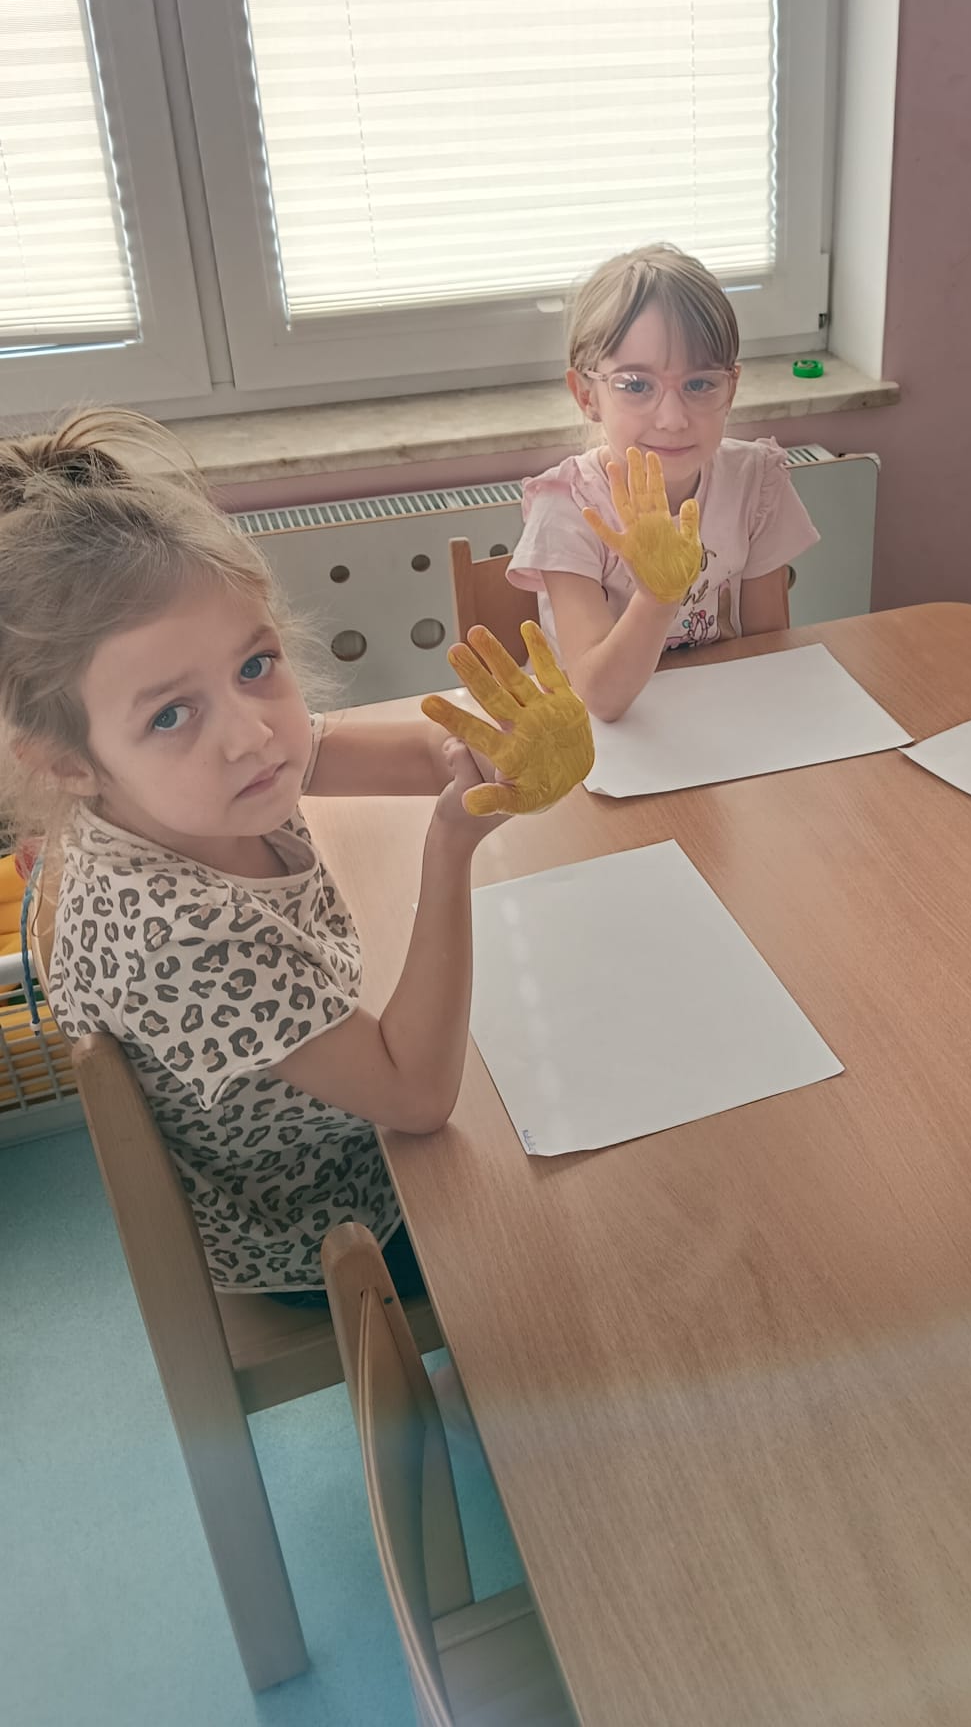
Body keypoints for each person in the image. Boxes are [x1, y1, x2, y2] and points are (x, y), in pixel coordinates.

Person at [0, 410, 590, 1298]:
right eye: (171, 714)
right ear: (67, 765)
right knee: (604, 1226)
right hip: (330, 1227)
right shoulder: (180, 935)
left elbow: (371, 752)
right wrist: (450, 844)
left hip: (346, 1118)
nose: (252, 734)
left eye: (254, 666)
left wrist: (478, 753)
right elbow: (419, 1098)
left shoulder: (180, 783)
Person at [508, 243, 820, 719]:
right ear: (587, 396)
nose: (673, 419)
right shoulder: (569, 506)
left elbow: (768, 654)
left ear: (730, 389)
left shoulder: (754, 482)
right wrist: (657, 597)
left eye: (699, 384)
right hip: (587, 736)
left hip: (708, 717)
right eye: (636, 385)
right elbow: (600, 699)